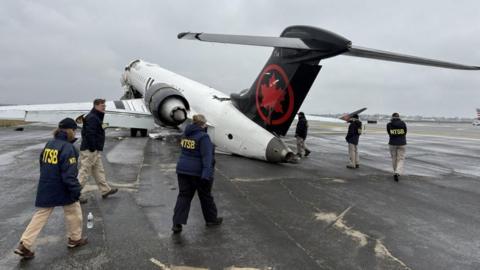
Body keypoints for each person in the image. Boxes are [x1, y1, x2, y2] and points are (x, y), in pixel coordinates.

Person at [14, 118, 88, 259]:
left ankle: (25, 244)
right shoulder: (69, 148)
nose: (75, 132)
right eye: (74, 130)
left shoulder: (49, 144)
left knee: (41, 215)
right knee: (74, 210)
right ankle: (74, 239)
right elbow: (69, 175)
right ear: (69, 131)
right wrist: (77, 190)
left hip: (47, 184)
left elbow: (42, 163)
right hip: (63, 187)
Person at [172, 114, 222, 233]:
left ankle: (177, 224)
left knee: (184, 196)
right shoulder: (203, 137)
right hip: (198, 173)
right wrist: (206, 174)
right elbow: (207, 157)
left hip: (183, 171)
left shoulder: (185, 135)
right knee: (205, 196)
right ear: (202, 125)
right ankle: (211, 220)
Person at [78, 99, 117, 203]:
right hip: (90, 150)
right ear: (96, 105)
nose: (104, 107)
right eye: (102, 105)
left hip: (94, 149)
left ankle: (105, 190)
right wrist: (92, 148)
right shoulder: (92, 117)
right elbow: (89, 133)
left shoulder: (96, 117)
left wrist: (105, 125)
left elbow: (97, 129)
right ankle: (75, 193)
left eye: (104, 105)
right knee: (85, 171)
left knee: (98, 170)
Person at [387, 112, 407, 182]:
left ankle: (395, 171)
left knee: (394, 158)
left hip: (392, 143)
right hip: (402, 143)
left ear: (392, 117)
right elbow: (405, 132)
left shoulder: (389, 124)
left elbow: (389, 133)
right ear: (399, 117)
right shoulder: (403, 123)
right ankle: (397, 172)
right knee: (400, 159)